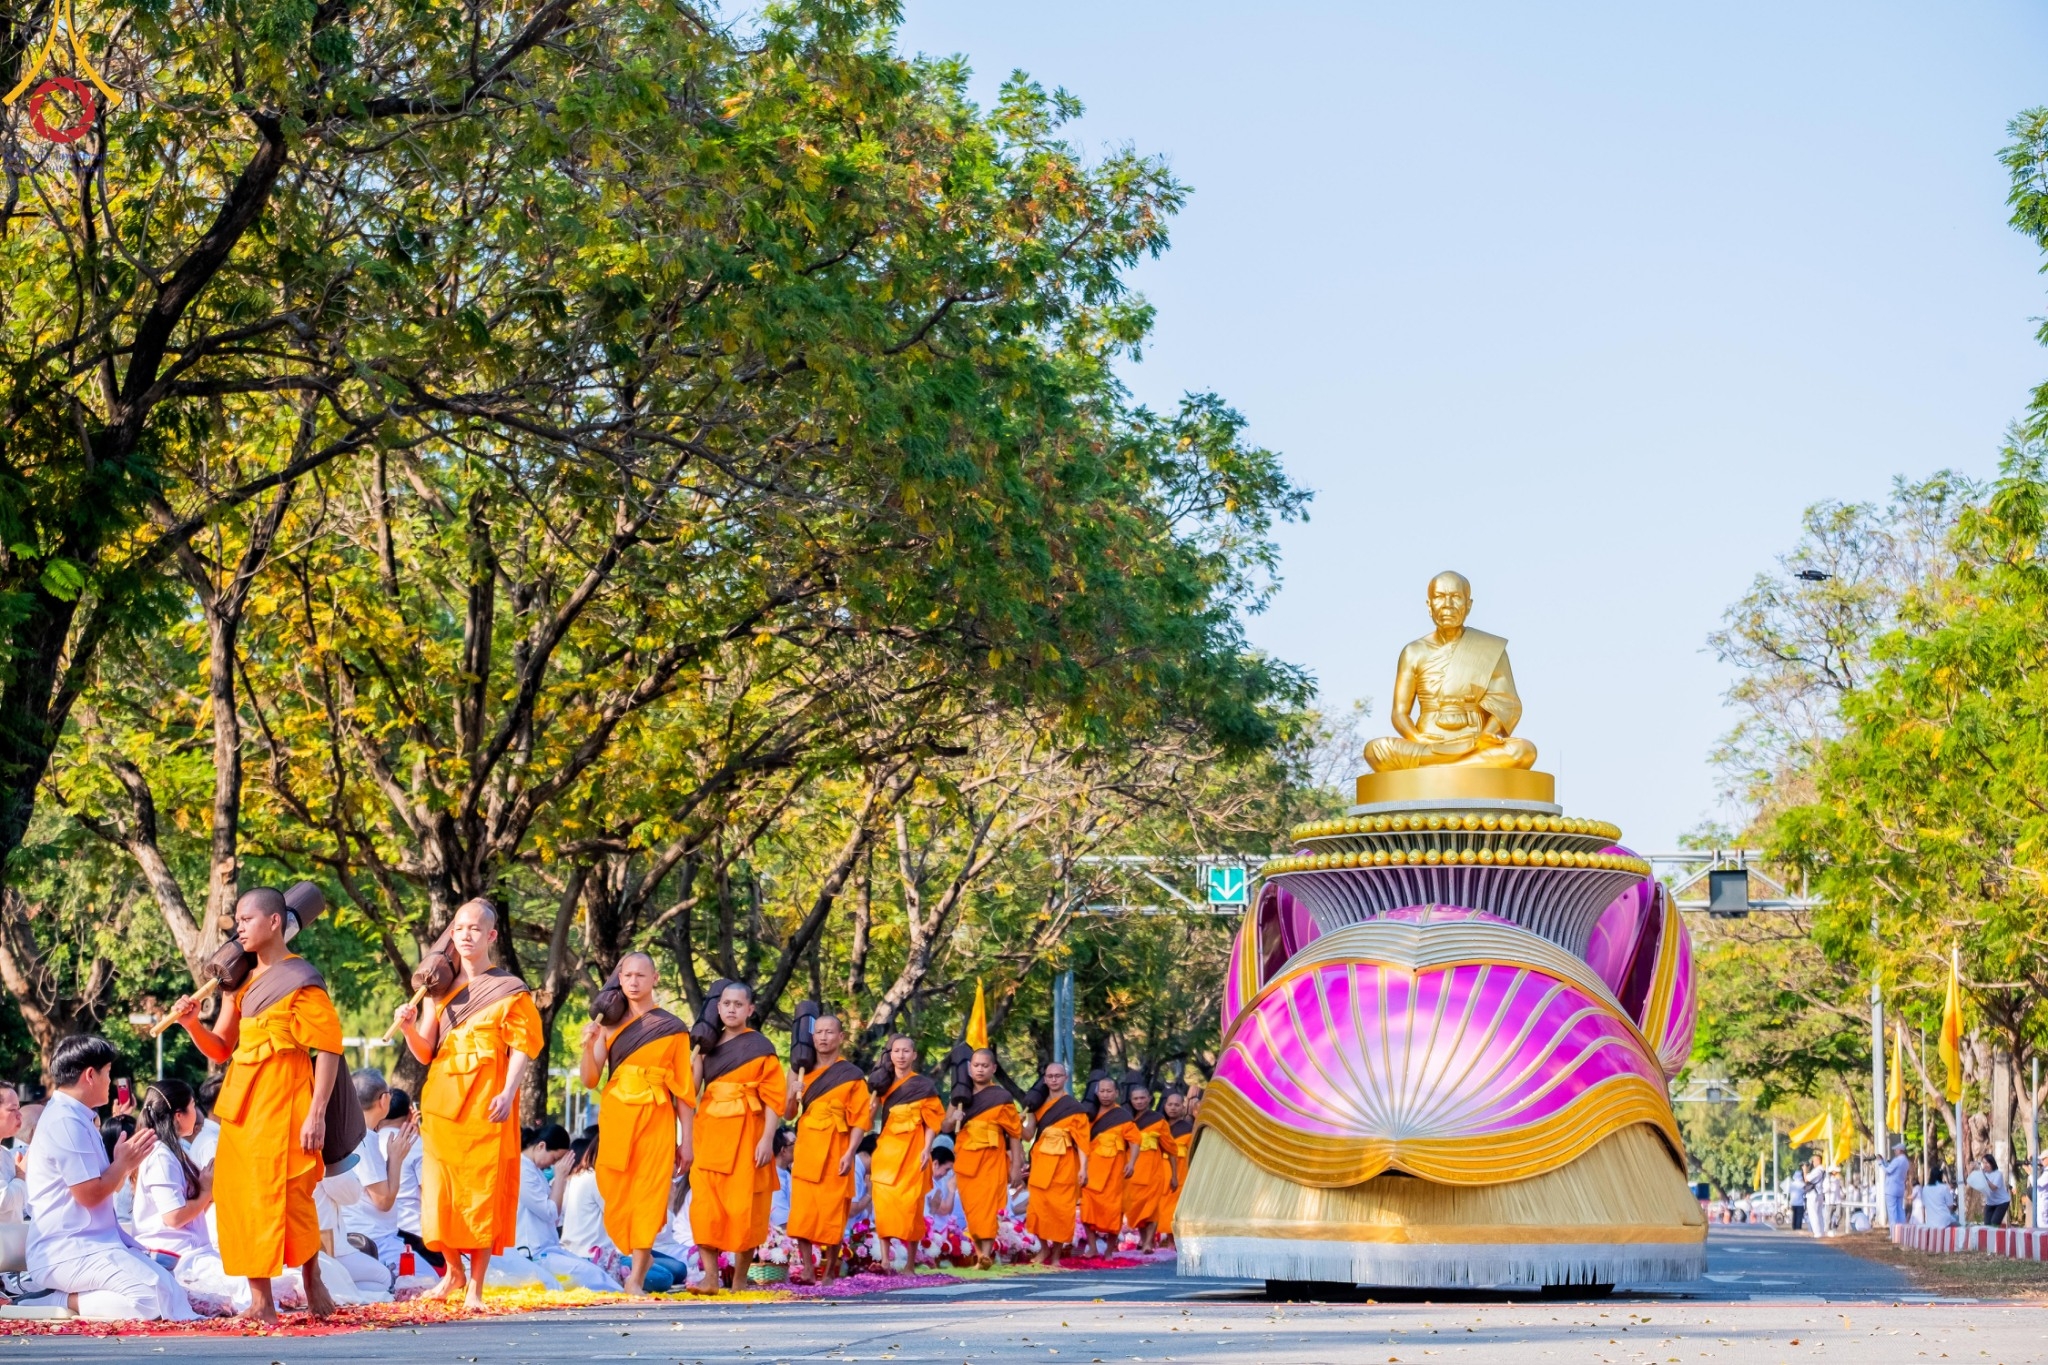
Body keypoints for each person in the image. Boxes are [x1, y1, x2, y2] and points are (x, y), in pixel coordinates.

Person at [167, 887, 346, 1323]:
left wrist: (317, 1112)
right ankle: (261, 1300)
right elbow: (221, 1047)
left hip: (287, 1097)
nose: (239, 928)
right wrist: (191, 1024)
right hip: (243, 1104)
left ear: (275, 922)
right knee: (241, 1196)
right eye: (237, 921)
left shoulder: (301, 978)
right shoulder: (239, 981)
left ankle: (312, 1275)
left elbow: (328, 1048)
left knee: (291, 1192)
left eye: (247, 919)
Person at [393, 897, 545, 1310]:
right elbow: (425, 1052)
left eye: (475, 929)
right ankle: (453, 1271)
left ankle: (475, 1287)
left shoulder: (509, 989)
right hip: (443, 1102)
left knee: (481, 1191)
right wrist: (408, 1029)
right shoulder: (438, 988)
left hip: (486, 1101)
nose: (466, 935)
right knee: (439, 1192)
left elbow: (522, 1046)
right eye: (459, 928)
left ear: (491, 935)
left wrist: (509, 1092)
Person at [23, 1035, 196, 1321]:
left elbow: (104, 1188)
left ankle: (63, 1297)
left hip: (93, 1245)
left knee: (170, 1290)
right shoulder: (65, 1121)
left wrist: (122, 1166)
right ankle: (56, 1299)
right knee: (150, 1300)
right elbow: (90, 1195)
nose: (110, 1081)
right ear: (90, 1075)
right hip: (66, 1249)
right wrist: (122, 1164)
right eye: (107, 1073)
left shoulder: (78, 1117)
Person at [579, 953, 693, 1294]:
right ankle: (634, 1256)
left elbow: (684, 1093)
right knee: (615, 1189)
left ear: (654, 978)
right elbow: (590, 1080)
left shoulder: (673, 1028)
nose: (633, 982)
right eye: (627, 975)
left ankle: (636, 1278)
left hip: (656, 1119)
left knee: (650, 1195)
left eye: (641, 976)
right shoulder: (609, 1024)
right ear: (620, 978)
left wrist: (687, 1141)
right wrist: (588, 1045)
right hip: (618, 1116)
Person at [687, 981, 786, 1293]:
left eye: (738, 1004)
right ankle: (710, 1278)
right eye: (726, 1004)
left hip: (747, 1135)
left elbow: (774, 1099)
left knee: (747, 1208)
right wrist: (693, 1060)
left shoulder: (761, 1048)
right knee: (704, 1207)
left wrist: (767, 1139)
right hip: (710, 1134)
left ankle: (740, 1280)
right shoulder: (707, 1045)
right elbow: (691, 1092)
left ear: (750, 1010)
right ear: (718, 1008)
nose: (732, 1009)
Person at [786, 1013, 871, 1284]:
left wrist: (850, 1152)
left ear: (841, 1037)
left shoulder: (852, 1075)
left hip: (837, 1149)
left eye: (829, 1032)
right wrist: (792, 1093)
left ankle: (830, 1269)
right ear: (813, 1037)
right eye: (819, 1032)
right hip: (808, 1148)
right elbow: (788, 1114)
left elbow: (860, 1120)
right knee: (803, 1212)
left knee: (834, 1210)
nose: (823, 1037)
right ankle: (807, 1269)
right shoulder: (801, 1070)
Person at [496, 1125, 619, 1291]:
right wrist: (560, 1177)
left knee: (595, 1274)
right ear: (541, 1146)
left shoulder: (533, 1169)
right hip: (532, 1251)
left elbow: (554, 1215)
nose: (554, 1165)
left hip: (546, 1248)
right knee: (591, 1276)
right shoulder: (521, 1170)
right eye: (554, 1159)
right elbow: (550, 1212)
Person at [869, 1034, 943, 1273]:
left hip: (913, 1153)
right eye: (896, 1051)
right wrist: (871, 1107)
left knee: (912, 1208)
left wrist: (927, 1148)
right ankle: (885, 1261)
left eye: (905, 1051)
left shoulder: (923, 1086)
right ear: (890, 1055)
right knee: (884, 1207)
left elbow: (932, 1122)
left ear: (914, 1055)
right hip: (887, 1154)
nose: (900, 1056)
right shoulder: (882, 1084)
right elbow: (866, 1120)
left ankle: (910, 1265)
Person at [943, 1048, 1022, 1270]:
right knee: (972, 1208)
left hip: (991, 1157)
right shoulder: (960, 1094)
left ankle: (985, 1254)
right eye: (976, 1065)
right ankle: (980, 1254)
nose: (980, 1069)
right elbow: (945, 1126)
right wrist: (954, 1118)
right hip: (967, 1159)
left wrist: (1016, 1166)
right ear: (969, 1068)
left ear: (993, 1068)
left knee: (987, 1206)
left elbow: (1015, 1134)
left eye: (985, 1066)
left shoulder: (1001, 1097)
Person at [130, 1081, 214, 1271]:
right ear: (179, 1115)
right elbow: (174, 1217)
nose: (196, 1112)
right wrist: (205, 1191)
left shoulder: (170, 1151)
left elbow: (188, 1210)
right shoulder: (160, 1156)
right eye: (192, 1105)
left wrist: (206, 1191)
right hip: (176, 1259)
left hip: (188, 1253)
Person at [1022, 1063, 1090, 1266]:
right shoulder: (1036, 1106)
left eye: (1058, 1076)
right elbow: (1028, 1135)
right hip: (1041, 1162)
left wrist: (1083, 1169)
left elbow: (1082, 1142)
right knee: (1037, 1208)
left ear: (1065, 1079)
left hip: (1064, 1165)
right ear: (1044, 1079)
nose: (1053, 1079)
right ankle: (1044, 1249)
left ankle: (1057, 1255)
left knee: (1062, 1210)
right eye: (1050, 1076)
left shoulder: (1075, 1108)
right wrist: (1016, 1123)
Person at [1080, 1073, 1139, 1257]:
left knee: (1114, 1211)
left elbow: (1135, 1141)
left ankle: (1109, 1250)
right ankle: (1092, 1247)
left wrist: (1132, 1162)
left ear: (1116, 1093)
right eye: (1102, 1091)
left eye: (1109, 1091)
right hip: (1091, 1170)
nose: (1105, 1095)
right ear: (1096, 1093)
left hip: (1114, 1172)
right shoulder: (1090, 1114)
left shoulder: (1122, 1116)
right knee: (1086, 1210)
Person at [1121, 1081, 1177, 1253]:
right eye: (1136, 1099)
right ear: (1131, 1100)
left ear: (1149, 1099)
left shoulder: (1158, 1120)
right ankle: (1145, 1239)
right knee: (1135, 1207)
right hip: (1132, 1171)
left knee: (1152, 1207)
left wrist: (1174, 1175)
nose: (1139, 1101)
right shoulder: (1127, 1120)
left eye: (1142, 1098)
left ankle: (1147, 1243)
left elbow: (1171, 1149)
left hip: (1153, 1170)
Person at [557, 1132, 616, 1263]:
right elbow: (616, 1214)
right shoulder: (596, 1178)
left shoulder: (581, 1174)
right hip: (592, 1255)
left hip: (576, 1251)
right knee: (660, 1271)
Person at [1159, 1090, 1194, 1244]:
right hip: (1160, 1172)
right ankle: (1164, 1241)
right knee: (1161, 1206)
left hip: (1180, 1173)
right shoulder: (1159, 1126)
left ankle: (1174, 1241)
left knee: (1176, 1207)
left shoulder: (1189, 1128)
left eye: (1176, 1105)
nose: (1173, 1108)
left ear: (1183, 1107)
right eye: (1170, 1104)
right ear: (1165, 1106)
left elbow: (1193, 1153)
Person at [0, 1082, 24, 1223]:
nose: (20, 1115)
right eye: (12, 1109)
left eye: (18, 1108)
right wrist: (21, 1175)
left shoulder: (6, 1153)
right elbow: (3, 1200)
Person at [1974, 1154, 2011, 1228]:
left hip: (2002, 1202)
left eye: (1987, 1163)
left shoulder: (1998, 1174)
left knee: (1994, 1224)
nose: (1985, 1165)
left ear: (1992, 1163)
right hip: (1990, 1203)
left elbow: (1993, 1188)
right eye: (1983, 1163)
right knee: (1987, 1225)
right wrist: (1972, 1169)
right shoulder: (1983, 1174)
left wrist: (1984, 1177)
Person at [1919, 1162, 1958, 1228]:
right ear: (1940, 1176)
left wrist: (1923, 1220)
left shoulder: (1925, 1189)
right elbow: (1950, 1206)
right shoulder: (1944, 1188)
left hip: (1930, 1222)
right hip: (1944, 1221)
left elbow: (1923, 1206)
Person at [1881, 1142, 1910, 1228]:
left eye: (1896, 1150)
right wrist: (1884, 1162)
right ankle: (1902, 1230)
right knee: (1900, 1210)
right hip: (1900, 1188)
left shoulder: (1897, 1160)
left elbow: (1888, 1170)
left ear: (1900, 1150)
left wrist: (1880, 1163)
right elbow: (1891, 1168)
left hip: (1891, 1189)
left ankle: (1894, 1231)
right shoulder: (1906, 1161)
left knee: (1892, 1212)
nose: (1894, 1151)